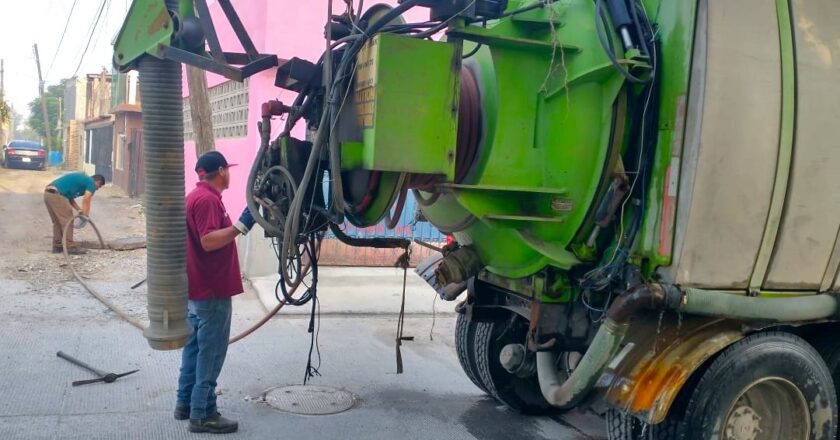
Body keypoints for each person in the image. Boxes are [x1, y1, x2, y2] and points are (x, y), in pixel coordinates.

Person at [175, 151, 256, 434]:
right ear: (221, 171)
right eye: (228, 170)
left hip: (199, 288)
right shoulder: (207, 200)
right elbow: (208, 241)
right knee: (211, 352)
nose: (230, 174)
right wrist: (241, 226)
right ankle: (203, 413)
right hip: (211, 290)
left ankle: (184, 403)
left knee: (195, 349)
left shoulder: (198, 197)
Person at [43, 172, 106, 254]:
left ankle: (57, 246)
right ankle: (70, 247)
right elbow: (86, 199)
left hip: (48, 194)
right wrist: (85, 215)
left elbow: (69, 198)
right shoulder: (91, 182)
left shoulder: (82, 181)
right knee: (68, 221)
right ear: (97, 182)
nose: (97, 189)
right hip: (57, 195)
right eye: (99, 186)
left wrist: (79, 210)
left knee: (57, 222)